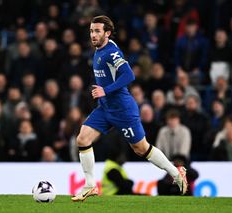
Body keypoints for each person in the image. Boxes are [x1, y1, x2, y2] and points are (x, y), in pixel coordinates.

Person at [71, 15, 188, 202]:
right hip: (105, 107)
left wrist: (105, 90)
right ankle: (90, 186)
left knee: (141, 149)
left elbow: (129, 75)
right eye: (91, 31)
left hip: (122, 109)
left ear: (107, 33)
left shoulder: (111, 52)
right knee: (83, 139)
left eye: (97, 31)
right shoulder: (99, 49)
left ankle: (176, 173)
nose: (93, 34)